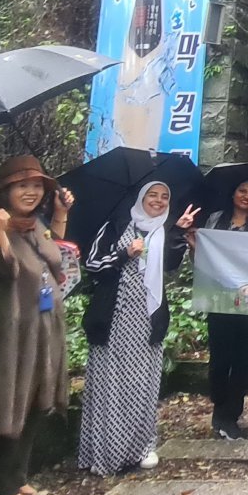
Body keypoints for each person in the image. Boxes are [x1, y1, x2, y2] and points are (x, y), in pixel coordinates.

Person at [0, 156, 73, 495]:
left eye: (37, 185)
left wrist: (59, 213)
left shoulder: (33, 226)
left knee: (34, 404)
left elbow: (54, 256)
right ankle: (0, 487)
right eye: (22, 185)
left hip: (43, 333)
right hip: (13, 339)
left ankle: (19, 477)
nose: (31, 191)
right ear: (5, 191)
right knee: (9, 404)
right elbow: (6, 268)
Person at [80, 182, 196, 475]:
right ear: (140, 199)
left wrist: (177, 231)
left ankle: (141, 446)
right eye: (152, 196)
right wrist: (125, 254)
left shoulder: (162, 231)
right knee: (112, 383)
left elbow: (170, 266)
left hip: (148, 319)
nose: (158, 201)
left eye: (164, 197)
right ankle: (107, 452)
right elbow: (92, 264)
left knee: (143, 384)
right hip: (114, 318)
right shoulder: (116, 226)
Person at [195, 180, 248, 440]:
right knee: (220, 360)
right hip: (220, 299)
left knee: (243, 359)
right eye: (242, 191)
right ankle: (220, 404)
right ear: (232, 193)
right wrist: (193, 247)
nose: (247, 196)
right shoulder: (214, 220)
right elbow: (203, 260)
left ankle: (231, 415)